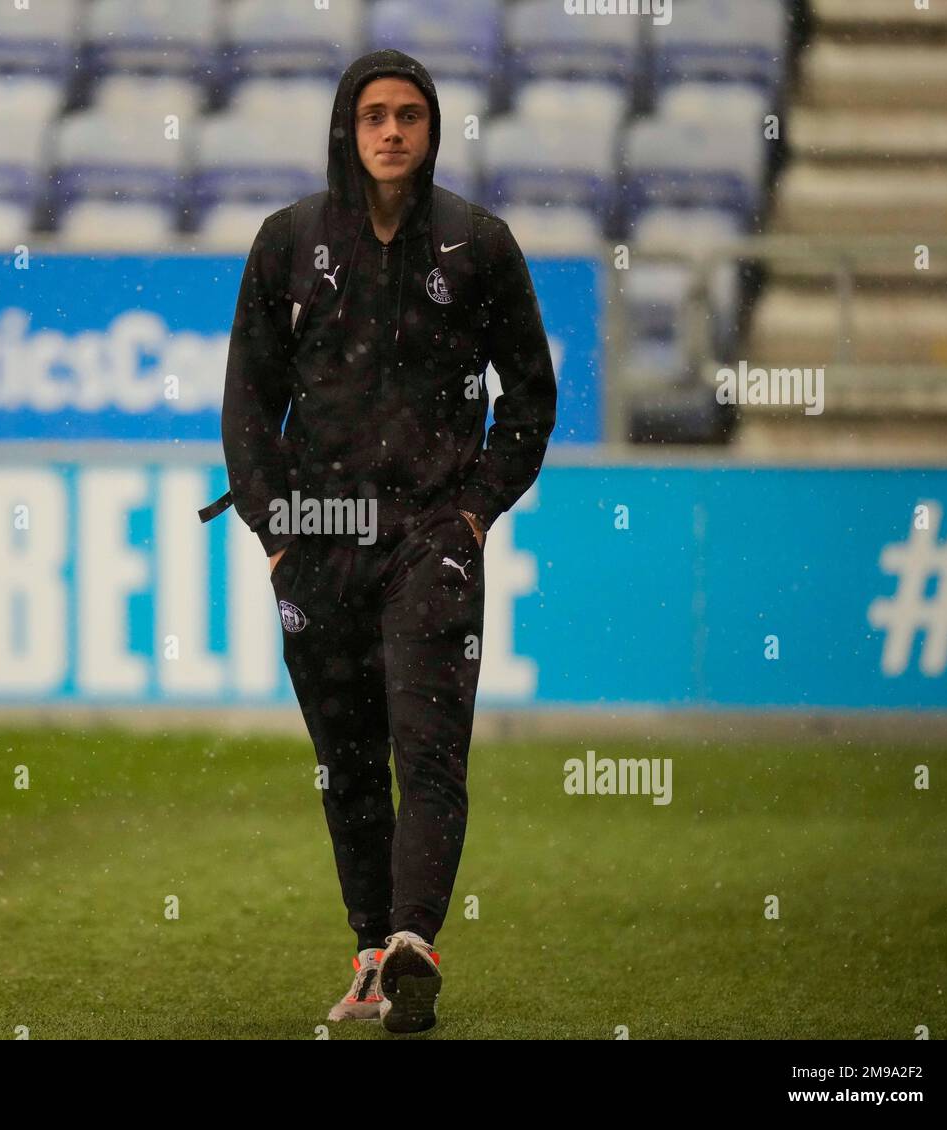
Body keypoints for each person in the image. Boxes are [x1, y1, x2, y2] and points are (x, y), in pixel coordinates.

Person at [210, 49, 558, 1033]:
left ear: (432, 127)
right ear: (346, 129)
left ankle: (414, 939)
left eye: (409, 114)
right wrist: (278, 532)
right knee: (347, 760)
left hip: (430, 538)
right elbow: (248, 405)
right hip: (318, 541)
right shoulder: (285, 244)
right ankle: (369, 951)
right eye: (374, 116)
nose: (392, 131)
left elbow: (529, 397)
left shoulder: (478, 245)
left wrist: (474, 509)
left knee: (428, 745)